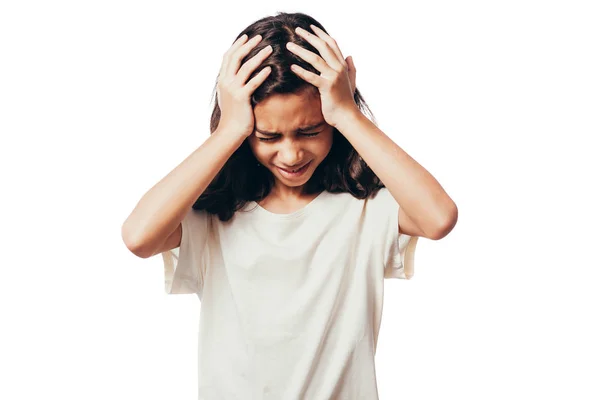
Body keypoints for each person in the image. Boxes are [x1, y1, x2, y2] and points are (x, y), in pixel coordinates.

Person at [121, 11, 457, 400]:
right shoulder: (214, 218)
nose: (291, 153)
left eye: (310, 131)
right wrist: (230, 129)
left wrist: (348, 112)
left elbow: (438, 218)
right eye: (268, 136)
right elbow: (138, 238)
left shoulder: (363, 208)